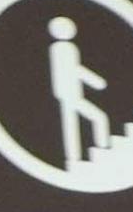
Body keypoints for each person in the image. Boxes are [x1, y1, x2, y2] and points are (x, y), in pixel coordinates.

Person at [47, 14, 112, 172]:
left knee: (77, 123)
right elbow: (70, 70)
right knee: (94, 119)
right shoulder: (62, 49)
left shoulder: (66, 48)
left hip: (71, 93)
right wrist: (94, 81)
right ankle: (81, 157)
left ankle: (78, 157)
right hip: (68, 93)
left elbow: (73, 69)